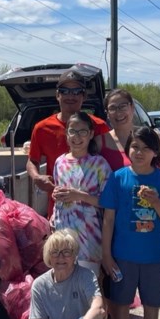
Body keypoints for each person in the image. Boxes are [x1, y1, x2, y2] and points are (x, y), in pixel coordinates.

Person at [99, 88, 160, 319]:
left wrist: (156, 201)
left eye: (122, 106)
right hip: (108, 216)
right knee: (115, 283)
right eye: (112, 108)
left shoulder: (152, 139)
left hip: (146, 227)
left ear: (132, 107)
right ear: (106, 112)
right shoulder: (100, 140)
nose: (118, 112)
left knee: (149, 286)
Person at [26, 68, 109, 218]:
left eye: (77, 91)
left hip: (92, 219)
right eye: (65, 91)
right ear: (58, 95)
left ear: (84, 96)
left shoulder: (99, 126)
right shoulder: (42, 128)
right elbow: (32, 161)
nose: (71, 96)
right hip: (60, 213)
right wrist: (36, 177)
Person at [51, 111, 111, 272]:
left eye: (82, 131)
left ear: (91, 134)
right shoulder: (60, 162)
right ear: (66, 133)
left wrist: (78, 195)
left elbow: (108, 203)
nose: (77, 137)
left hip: (89, 239)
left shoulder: (99, 164)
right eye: (72, 131)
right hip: (62, 236)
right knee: (64, 287)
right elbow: (59, 191)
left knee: (89, 290)